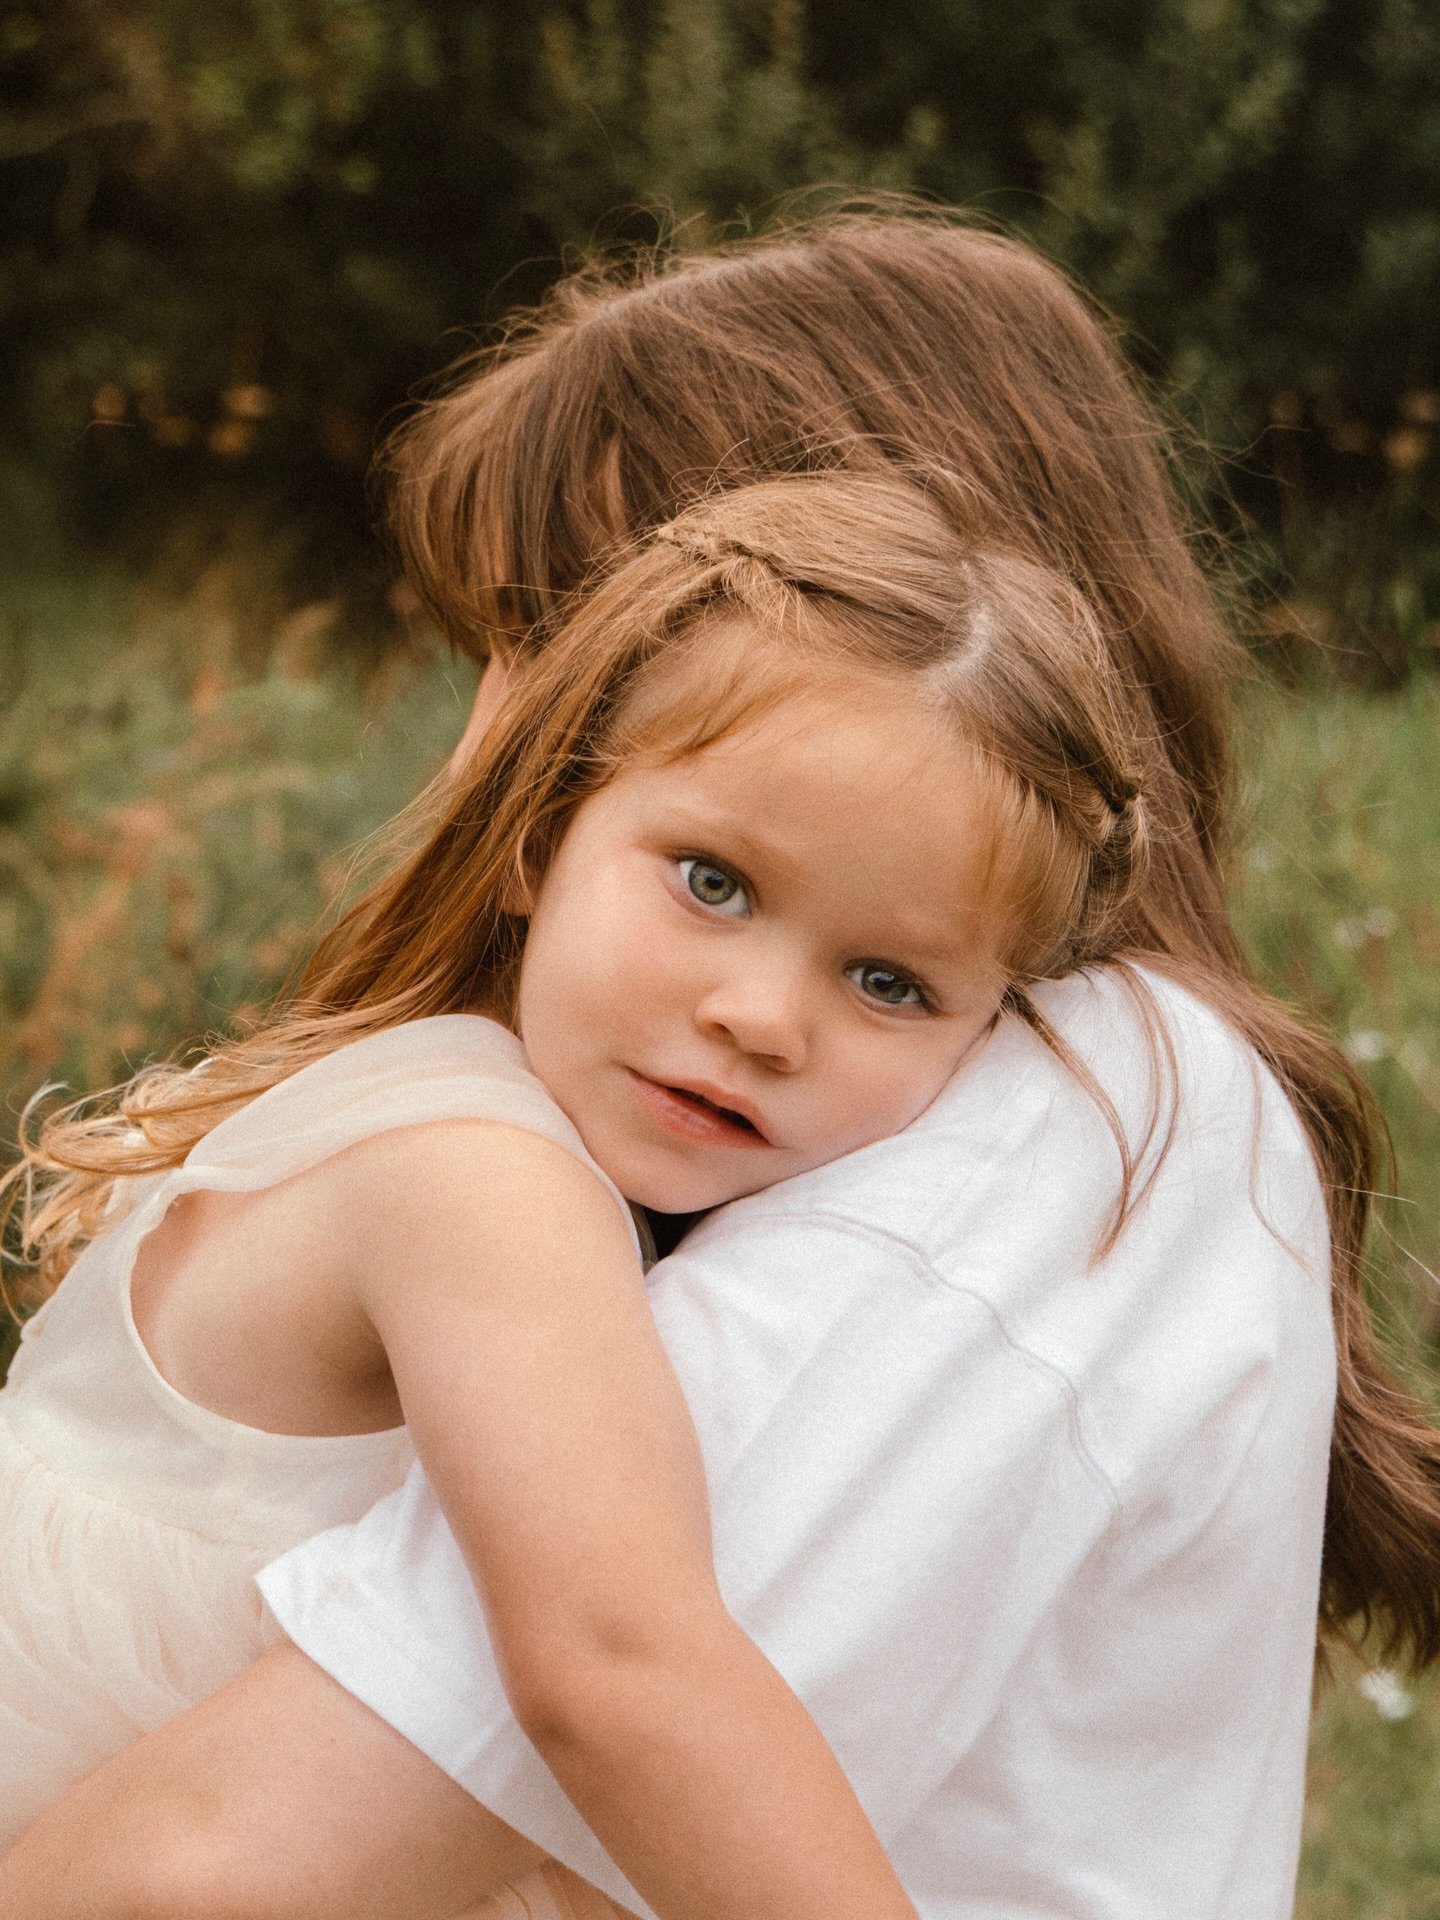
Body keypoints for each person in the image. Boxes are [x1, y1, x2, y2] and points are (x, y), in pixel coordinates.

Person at [1, 208, 1437, 1920]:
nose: (494, 733)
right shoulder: (523, 1158)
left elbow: (224, 1857)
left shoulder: (1072, 1117)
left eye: (566, 640)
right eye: (515, 656)